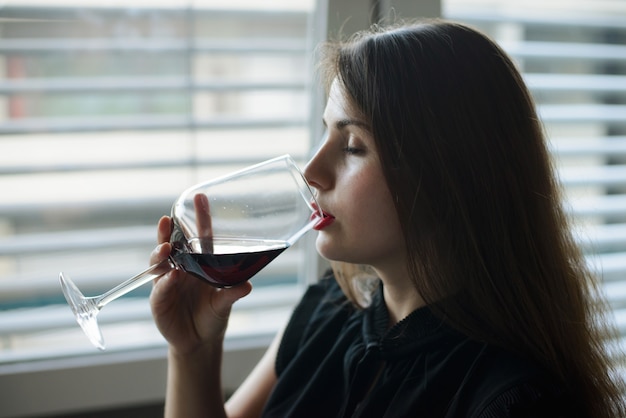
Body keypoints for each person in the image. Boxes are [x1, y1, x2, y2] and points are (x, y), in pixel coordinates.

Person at [149, 19, 626, 417]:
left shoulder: (511, 400)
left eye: (353, 145)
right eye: (324, 135)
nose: (312, 171)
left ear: (447, 177)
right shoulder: (326, 312)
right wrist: (192, 352)